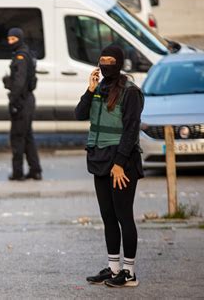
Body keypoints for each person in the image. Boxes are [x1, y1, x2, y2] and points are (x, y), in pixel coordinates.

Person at [75, 45, 144, 287]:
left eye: (110, 60)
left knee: (124, 216)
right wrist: (89, 89)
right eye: (102, 60)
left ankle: (130, 272)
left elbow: (131, 130)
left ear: (120, 63)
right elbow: (79, 114)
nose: (105, 64)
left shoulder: (131, 92)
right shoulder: (99, 89)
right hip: (99, 159)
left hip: (121, 162)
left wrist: (119, 164)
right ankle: (114, 268)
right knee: (108, 216)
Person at [2, 28, 42, 181]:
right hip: (27, 99)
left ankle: (17, 173)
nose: (10, 42)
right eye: (9, 39)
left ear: (19, 38)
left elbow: (19, 82)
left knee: (17, 138)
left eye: (13, 39)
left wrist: (13, 99)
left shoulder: (20, 56)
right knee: (27, 137)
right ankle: (35, 170)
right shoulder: (26, 52)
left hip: (21, 101)